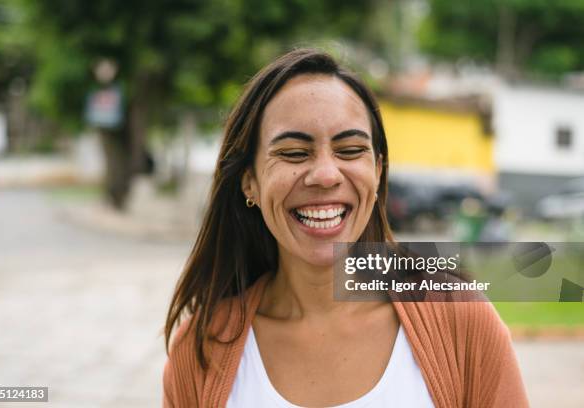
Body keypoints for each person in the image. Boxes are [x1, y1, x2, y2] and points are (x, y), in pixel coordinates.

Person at [163, 49, 528, 407]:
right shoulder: (199, 349)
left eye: (351, 150)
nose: (325, 175)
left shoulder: (462, 321)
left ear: (378, 170)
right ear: (249, 182)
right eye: (293, 153)